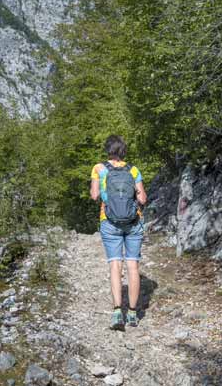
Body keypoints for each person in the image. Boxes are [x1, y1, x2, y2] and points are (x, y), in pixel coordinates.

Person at [90, 134, 146, 330]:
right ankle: (132, 314)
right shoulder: (133, 170)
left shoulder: (99, 168)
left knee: (115, 265)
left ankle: (116, 313)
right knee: (133, 266)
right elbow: (143, 199)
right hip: (133, 221)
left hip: (109, 221)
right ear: (123, 150)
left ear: (108, 150)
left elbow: (95, 195)